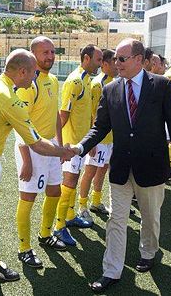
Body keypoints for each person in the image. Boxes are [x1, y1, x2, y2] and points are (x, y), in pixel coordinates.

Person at [72, 38, 171, 292]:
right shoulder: (111, 89)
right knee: (116, 219)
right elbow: (100, 126)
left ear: (139, 60)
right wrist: (80, 148)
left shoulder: (162, 86)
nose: (117, 63)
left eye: (122, 59)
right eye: (115, 59)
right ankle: (111, 270)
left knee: (150, 217)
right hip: (122, 167)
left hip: (152, 167)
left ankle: (148, 252)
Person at [0, 49, 74, 296]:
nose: (35, 77)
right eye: (33, 72)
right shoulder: (9, 99)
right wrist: (64, 152)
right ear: (23, 71)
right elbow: (35, 143)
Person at [15, 37, 66, 269]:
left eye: (53, 52)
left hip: (51, 146)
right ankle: (24, 248)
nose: (50, 56)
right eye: (45, 52)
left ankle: (45, 234)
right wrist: (26, 160)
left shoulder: (54, 80)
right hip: (32, 149)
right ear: (32, 55)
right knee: (29, 197)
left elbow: (55, 115)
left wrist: (61, 147)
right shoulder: (28, 85)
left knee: (55, 191)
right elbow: (21, 123)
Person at [53, 44, 103, 246]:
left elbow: (88, 115)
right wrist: (59, 147)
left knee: (73, 182)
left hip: (79, 145)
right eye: (98, 60)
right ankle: (58, 227)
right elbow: (62, 115)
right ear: (86, 58)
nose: (100, 64)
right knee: (69, 183)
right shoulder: (75, 81)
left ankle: (70, 215)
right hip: (69, 144)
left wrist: (89, 142)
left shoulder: (88, 80)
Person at [78, 49, 117, 223]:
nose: (118, 65)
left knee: (102, 170)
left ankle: (96, 201)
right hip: (99, 139)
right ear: (105, 64)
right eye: (114, 61)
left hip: (111, 138)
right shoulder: (97, 84)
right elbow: (92, 115)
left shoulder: (113, 81)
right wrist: (92, 142)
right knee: (90, 171)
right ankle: (82, 206)